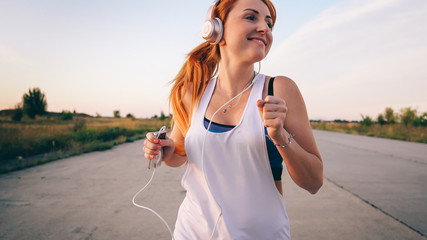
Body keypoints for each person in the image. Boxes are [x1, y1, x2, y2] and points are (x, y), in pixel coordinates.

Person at [143, 0, 323, 239]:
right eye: (251, 17)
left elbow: (313, 182)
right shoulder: (192, 91)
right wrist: (164, 150)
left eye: (269, 23)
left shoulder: (278, 89)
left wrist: (280, 136)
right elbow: (178, 155)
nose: (264, 28)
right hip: (192, 232)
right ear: (216, 28)